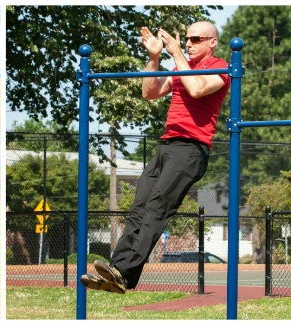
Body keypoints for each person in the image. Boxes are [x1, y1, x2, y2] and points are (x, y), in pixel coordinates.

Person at [80, 21, 230, 294]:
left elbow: (196, 89)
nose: (188, 43)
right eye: (186, 39)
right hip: (167, 146)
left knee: (157, 206)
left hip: (191, 149)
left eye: (196, 39)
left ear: (212, 42)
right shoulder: (181, 68)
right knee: (139, 206)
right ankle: (117, 273)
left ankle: (124, 272)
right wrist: (154, 58)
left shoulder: (220, 69)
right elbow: (148, 92)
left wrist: (175, 53)